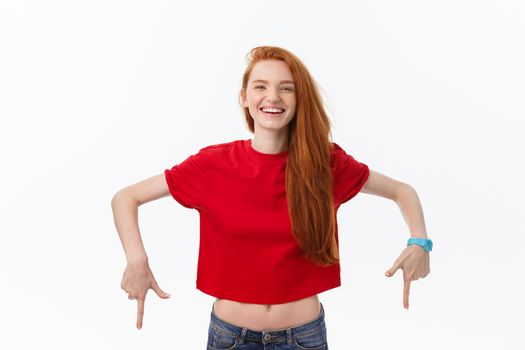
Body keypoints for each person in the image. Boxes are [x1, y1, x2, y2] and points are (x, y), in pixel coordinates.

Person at [111, 46, 432, 349]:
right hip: (230, 336)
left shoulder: (326, 163)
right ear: (244, 98)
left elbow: (402, 191)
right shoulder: (211, 165)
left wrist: (420, 242)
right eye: (260, 87)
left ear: (299, 97)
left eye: (286, 88)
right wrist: (137, 260)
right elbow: (126, 198)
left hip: (303, 336)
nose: (273, 97)